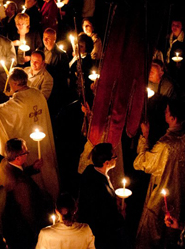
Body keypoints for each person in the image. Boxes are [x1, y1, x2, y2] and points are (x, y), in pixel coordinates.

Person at [0, 68, 59, 200]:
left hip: (27, 148)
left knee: (34, 182)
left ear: (14, 84)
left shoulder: (16, 103)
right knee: (47, 172)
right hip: (43, 144)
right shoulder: (38, 94)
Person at [134, 101, 185, 249]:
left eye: (167, 111)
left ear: (173, 118)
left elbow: (142, 163)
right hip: (181, 195)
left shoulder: (165, 145)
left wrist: (145, 136)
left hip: (161, 198)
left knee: (154, 234)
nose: (165, 112)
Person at [0, 138, 46, 249]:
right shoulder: (20, 185)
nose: (28, 153)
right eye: (26, 152)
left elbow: (20, 172)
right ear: (18, 158)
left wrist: (33, 168)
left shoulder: (4, 162)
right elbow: (27, 210)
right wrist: (35, 230)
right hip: (22, 226)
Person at [77, 143, 125, 249]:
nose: (116, 158)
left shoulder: (90, 169)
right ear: (107, 163)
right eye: (114, 157)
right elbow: (108, 220)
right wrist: (121, 215)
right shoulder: (103, 190)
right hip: (100, 235)